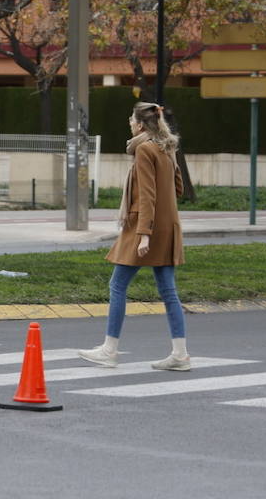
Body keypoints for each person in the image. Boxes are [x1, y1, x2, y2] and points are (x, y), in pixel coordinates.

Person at [77, 101, 191, 372]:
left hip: (144, 226)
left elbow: (147, 194)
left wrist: (144, 234)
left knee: (117, 285)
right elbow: (178, 188)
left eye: (131, 119)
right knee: (168, 291)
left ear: (140, 124)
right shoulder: (166, 147)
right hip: (168, 225)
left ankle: (109, 350)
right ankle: (180, 354)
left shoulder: (143, 149)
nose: (129, 122)